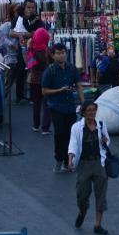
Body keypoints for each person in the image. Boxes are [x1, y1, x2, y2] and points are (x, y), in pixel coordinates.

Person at [67, 101, 111, 235]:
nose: (92, 113)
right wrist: (70, 159)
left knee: (101, 195)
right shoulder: (76, 128)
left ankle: (98, 225)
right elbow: (73, 145)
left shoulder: (101, 125)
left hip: (99, 163)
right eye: (89, 110)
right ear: (84, 112)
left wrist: (105, 141)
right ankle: (82, 211)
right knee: (82, 195)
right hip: (84, 164)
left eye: (94, 110)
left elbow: (107, 141)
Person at [42, 43, 83, 173]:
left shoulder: (72, 68)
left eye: (63, 52)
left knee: (71, 135)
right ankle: (59, 160)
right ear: (53, 55)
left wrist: (83, 103)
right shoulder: (50, 71)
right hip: (56, 107)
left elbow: (79, 86)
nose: (62, 55)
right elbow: (44, 91)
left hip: (70, 107)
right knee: (60, 135)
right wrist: (60, 90)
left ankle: (68, 161)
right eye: (58, 53)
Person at [9, 0, 42, 105]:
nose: (31, 9)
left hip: (35, 49)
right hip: (22, 49)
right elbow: (11, 33)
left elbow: (38, 34)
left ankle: (34, 96)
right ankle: (19, 95)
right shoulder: (18, 18)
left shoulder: (37, 19)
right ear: (24, 7)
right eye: (29, 7)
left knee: (35, 72)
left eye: (33, 7)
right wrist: (23, 34)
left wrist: (24, 34)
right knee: (21, 72)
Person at [28, 27, 52, 134]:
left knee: (36, 103)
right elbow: (52, 62)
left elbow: (29, 65)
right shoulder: (47, 50)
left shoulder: (32, 49)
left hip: (34, 79)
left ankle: (35, 125)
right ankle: (45, 127)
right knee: (47, 104)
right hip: (46, 80)